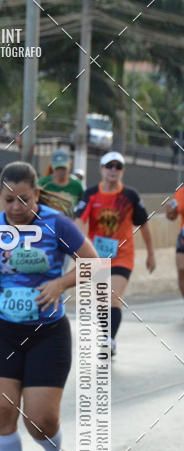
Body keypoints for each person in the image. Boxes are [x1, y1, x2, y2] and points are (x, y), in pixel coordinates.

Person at [0, 161, 98, 451]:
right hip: (3, 331)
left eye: (24, 199)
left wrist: (59, 283)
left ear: (36, 194)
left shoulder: (56, 224)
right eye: (8, 200)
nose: (16, 208)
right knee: (0, 413)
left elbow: (95, 264)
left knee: (40, 421)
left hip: (47, 334)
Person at [74, 151, 156, 357]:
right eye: (109, 166)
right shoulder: (91, 194)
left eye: (117, 167)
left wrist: (151, 254)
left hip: (122, 255)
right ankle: (106, 335)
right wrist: (79, 249)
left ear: (122, 171)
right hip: (98, 256)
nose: (113, 170)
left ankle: (109, 340)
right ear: (101, 169)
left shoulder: (130, 196)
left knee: (113, 296)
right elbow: (78, 221)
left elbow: (143, 225)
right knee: (102, 299)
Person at [38, 149, 83, 215]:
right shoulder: (42, 183)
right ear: (52, 166)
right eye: (58, 168)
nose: (60, 172)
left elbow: (83, 208)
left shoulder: (77, 185)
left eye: (63, 168)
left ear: (70, 164)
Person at [165, 185, 184, 297]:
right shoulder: (181, 192)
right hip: (183, 237)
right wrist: (170, 212)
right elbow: (172, 216)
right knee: (181, 270)